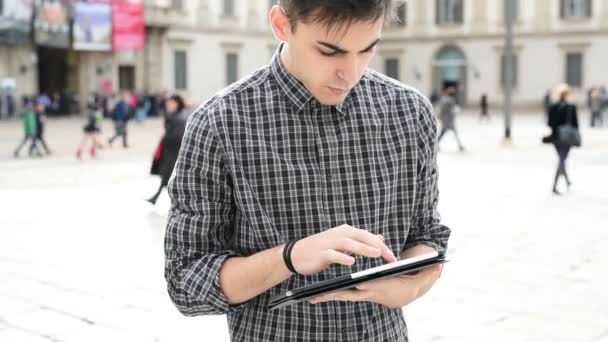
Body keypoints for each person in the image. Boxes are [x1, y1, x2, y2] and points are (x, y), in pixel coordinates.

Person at [164, 1, 451, 341]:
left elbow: (427, 236)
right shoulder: (220, 123)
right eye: (330, 51)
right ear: (282, 24)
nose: (351, 72)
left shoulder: (410, 112)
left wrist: (412, 287)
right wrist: (290, 257)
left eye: (367, 49)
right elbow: (186, 282)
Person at [146, 95, 188, 204]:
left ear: (177, 104)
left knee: (170, 178)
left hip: (174, 153)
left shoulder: (180, 118)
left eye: (171, 103)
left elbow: (178, 137)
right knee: (167, 178)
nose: (168, 106)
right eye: (168, 103)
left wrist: (166, 138)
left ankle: (172, 202)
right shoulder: (174, 116)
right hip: (169, 153)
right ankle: (157, 198)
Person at [545, 83, 580, 195]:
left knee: (561, 159)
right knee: (561, 160)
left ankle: (567, 181)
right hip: (567, 138)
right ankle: (554, 186)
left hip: (556, 137)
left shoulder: (553, 107)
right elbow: (575, 125)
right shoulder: (571, 107)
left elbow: (549, 123)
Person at [437, 86, 465, 151]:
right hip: (449, 120)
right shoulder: (451, 100)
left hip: (446, 120)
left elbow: (442, 110)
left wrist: (440, 116)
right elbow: (451, 110)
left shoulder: (445, 99)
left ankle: (460, 145)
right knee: (445, 133)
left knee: (443, 133)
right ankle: (460, 145)